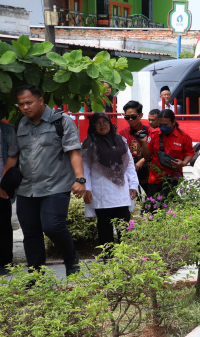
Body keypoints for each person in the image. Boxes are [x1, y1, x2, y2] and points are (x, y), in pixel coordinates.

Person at [0, 85, 85, 274]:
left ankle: (71, 260)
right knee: (31, 234)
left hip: (55, 186)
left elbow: (74, 151)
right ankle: (36, 276)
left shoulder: (62, 121)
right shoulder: (20, 124)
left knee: (53, 226)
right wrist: (3, 184)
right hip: (26, 189)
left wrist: (80, 179)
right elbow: (13, 156)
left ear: (40, 100)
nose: (25, 107)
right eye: (21, 104)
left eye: (29, 102)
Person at [82, 112, 138, 248]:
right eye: (98, 123)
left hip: (121, 192)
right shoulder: (89, 144)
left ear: (110, 123)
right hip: (101, 192)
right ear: (93, 126)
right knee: (105, 231)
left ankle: (125, 258)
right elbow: (85, 168)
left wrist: (133, 185)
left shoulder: (120, 141)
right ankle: (108, 258)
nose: (102, 125)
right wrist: (87, 189)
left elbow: (129, 164)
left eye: (105, 122)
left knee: (124, 230)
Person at [142, 109, 194, 198]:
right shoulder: (154, 134)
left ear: (173, 122)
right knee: (152, 204)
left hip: (173, 178)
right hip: (155, 178)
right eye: (160, 124)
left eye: (166, 125)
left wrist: (183, 163)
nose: (163, 127)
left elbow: (190, 153)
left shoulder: (183, 137)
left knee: (168, 202)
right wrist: (144, 142)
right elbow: (147, 156)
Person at [118, 100, 153, 192]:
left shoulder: (150, 131)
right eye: (127, 117)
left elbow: (156, 151)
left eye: (133, 117)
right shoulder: (122, 133)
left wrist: (143, 160)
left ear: (141, 115)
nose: (130, 119)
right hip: (130, 170)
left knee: (152, 196)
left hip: (148, 171)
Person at [0, 120, 16, 275]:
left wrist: (4, 184)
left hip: (2, 186)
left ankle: (5, 263)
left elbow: (14, 158)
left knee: (3, 224)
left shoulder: (8, 130)